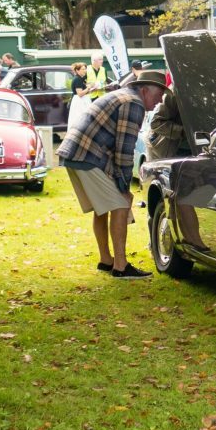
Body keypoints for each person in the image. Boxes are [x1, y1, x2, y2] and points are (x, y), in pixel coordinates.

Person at [56, 70, 169, 279]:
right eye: (158, 95)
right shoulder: (133, 103)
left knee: (102, 209)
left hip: (76, 153)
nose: (160, 101)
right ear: (144, 90)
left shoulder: (123, 95)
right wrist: (124, 187)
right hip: (86, 155)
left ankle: (106, 260)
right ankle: (120, 266)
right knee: (118, 204)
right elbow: (124, 150)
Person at [67, 62, 95, 130]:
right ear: (77, 70)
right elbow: (80, 94)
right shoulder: (77, 79)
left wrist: (91, 89)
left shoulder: (81, 78)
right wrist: (88, 88)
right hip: (80, 102)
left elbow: (84, 91)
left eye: (85, 69)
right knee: (80, 118)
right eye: (82, 69)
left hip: (83, 100)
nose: (85, 70)